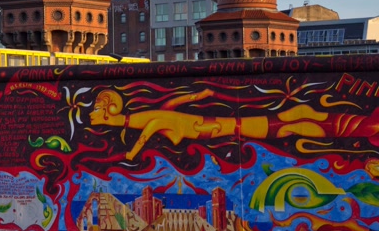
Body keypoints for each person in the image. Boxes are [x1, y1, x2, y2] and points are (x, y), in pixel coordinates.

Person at [90, 88, 379, 161]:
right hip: (223, 124)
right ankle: (360, 127)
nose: (94, 114)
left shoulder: (148, 119)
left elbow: (153, 126)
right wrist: (198, 95)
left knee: (287, 125)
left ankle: (361, 127)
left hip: (229, 125)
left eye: (98, 110)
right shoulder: (152, 114)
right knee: (290, 122)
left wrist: (132, 152)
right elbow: (173, 104)